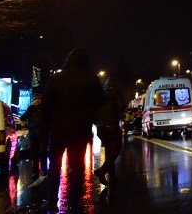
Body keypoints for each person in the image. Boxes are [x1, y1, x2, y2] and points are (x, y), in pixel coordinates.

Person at [42, 49, 105, 209]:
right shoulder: (91, 79)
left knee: (54, 167)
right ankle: (74, 202)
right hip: (80, 128)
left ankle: (51, 202)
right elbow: (100, 101)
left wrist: (48, 124)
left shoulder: (57, 78)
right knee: (77, 167)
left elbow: (46, 103)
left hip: (58, 128)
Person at [94, 79, 125, 185]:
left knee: (108, 150)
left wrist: (97, 123)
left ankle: (112, 175)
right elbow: (121, 107)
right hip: (112, 125)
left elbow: (93, 111)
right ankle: (102, 170)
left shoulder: (99, 95)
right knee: (116, 149)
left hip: (101, 128)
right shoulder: (115, 93)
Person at [19, 92, 45, 180]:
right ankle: (35, 172)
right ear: (32, 102)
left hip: (43, 134)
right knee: (34, 155)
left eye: (39, 100)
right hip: (33, 135)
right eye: (35, 100)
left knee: (43, 153)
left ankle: (44, 169)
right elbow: (22, 118)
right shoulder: (30, 109)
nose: (37, 101)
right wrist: (29, 109)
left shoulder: (44, 109)